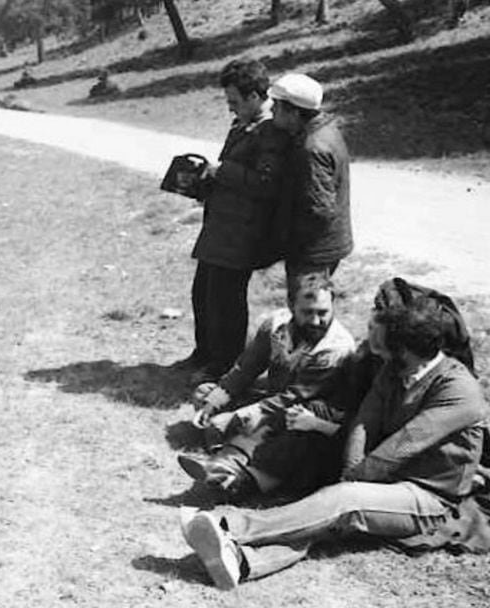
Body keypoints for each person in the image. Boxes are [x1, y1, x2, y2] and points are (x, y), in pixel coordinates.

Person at [179, 296, 490, 590]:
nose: (378, 352)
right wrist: (353, 469)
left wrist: (351, 480)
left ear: (407, 351)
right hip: (385, 478)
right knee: (326, 518)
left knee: (344, 501)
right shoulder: (395, 370)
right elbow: (364, 423)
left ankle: (228, 526)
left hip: (428, 495)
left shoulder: (458, 391)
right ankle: (244, 562)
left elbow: (401, 448)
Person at [179, 274, 355, 498]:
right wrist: (215, 401)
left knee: (281, 431)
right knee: (206, 393)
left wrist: (245, 414)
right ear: (291, 306)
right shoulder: (275, 325)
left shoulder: (335, 348)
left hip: (306, 413)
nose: (316, 321)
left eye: (323, 313)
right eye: (307, 312)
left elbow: (298, 395)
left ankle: (226, 465)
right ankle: (223, 449)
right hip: (272, 398)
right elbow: (247, 368)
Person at [179, 59, 291, 382]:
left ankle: (225, 364)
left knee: (226, 299)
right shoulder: (243, 122)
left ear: (255, 96)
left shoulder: (271, 130)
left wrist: (222, 172)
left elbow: (267, 184)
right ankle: (204, 353)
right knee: (203, 291)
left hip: (242, 231)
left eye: (235, 102)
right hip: (221, 225)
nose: (231, 109)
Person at [268, 73, 353, 298]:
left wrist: (289, 241)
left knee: (307, 313)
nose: (271, 110)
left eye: (276, 106)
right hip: (324, 247)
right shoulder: (325, 131)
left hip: (313, 253)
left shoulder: (311, 148)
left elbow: (319, 210)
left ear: (294, 113)